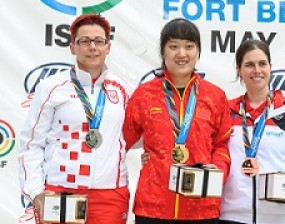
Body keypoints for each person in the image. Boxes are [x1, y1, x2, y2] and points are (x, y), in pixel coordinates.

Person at [18, 14, 132, 224]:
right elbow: (31, 145)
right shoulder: (51, 87)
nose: (92, 47)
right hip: (61, 192)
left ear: (108, 47)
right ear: (72, 47)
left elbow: (137, 136)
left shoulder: (123, 89)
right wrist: (36, 192)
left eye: (99, 41)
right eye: (84, 41)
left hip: (110, 195)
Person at [123, 18, 232, 224]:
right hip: (153, 207)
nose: (181, 54)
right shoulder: (145, 94)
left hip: (202, 207)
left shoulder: (214, 96)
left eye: (189, 47)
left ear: (198, 51)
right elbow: (122, 141)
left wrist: (217, 170)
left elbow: (221, 144)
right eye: (173, 46)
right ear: (163, 52)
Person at [219, 39, 285, 224]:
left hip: (283, 217)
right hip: (232, 216)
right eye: (249, 65)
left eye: (262, 64)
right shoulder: (226, 111)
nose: (257, 70)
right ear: (239, 70)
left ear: (270, 67)